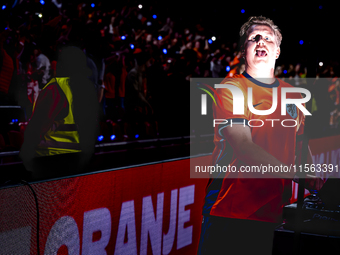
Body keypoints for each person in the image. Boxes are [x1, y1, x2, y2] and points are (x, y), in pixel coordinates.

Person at [198, 16, 323, 255]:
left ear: (277, 51)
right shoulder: (232, 88)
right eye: (252, 38)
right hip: (230, 210)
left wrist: (312, 174)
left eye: (267, 38)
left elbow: (299, 145)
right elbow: (243, 146)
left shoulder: (293, 95)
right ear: (243, 51)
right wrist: (295, 173)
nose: (260, 42)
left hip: (275, 212)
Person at [20, 46, 99, 180]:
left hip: (50, 161)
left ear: (62, 65)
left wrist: (25, 156)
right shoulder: (88, 90)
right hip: (80, 161)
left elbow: (36, 127)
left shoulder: (55, 88)